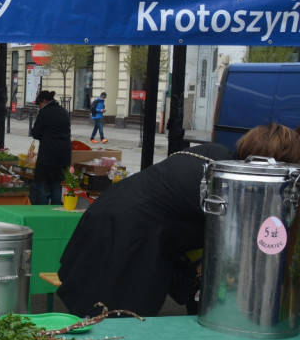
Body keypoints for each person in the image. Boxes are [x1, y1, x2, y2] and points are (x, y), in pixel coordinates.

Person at [58, 123, 300, 319]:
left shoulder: (215, 155)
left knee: (97, 310)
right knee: (111, 323)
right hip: (125, 236)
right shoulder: (230, 183)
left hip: (111, 214)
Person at [29, 90, 71, 205]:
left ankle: (42, 211)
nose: (40, 107)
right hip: (63, 155)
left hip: (48, 155)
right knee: (56, 184)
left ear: (44, 101)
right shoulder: (63, 112)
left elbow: (36, 133)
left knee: (40, 184)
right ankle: (55, 212)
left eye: (39, 104)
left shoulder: (45, 113)